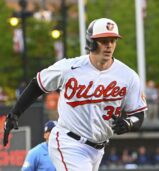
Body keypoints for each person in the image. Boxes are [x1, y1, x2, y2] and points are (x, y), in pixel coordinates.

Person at [3, 18, 147, 171]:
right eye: (103, 40)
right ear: (91, 42)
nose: (109, 45)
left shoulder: (127, 76)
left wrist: (128, 123)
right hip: (68, 141)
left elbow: (139, 114)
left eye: (113, 40)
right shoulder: (69, 67)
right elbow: (38, 84)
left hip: (98, 149)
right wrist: (14, 114)